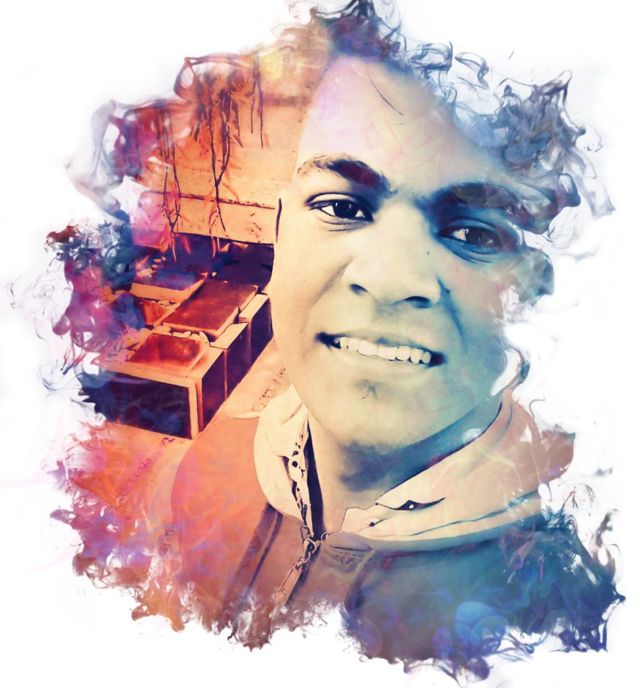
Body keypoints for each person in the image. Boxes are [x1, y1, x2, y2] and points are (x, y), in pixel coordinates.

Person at [50, 0, 622, 679]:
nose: (387, 279)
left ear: (534, 288)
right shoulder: (206, 476)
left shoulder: (561, 602)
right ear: (281, 232)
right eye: (342, 207)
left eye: (473, 232)